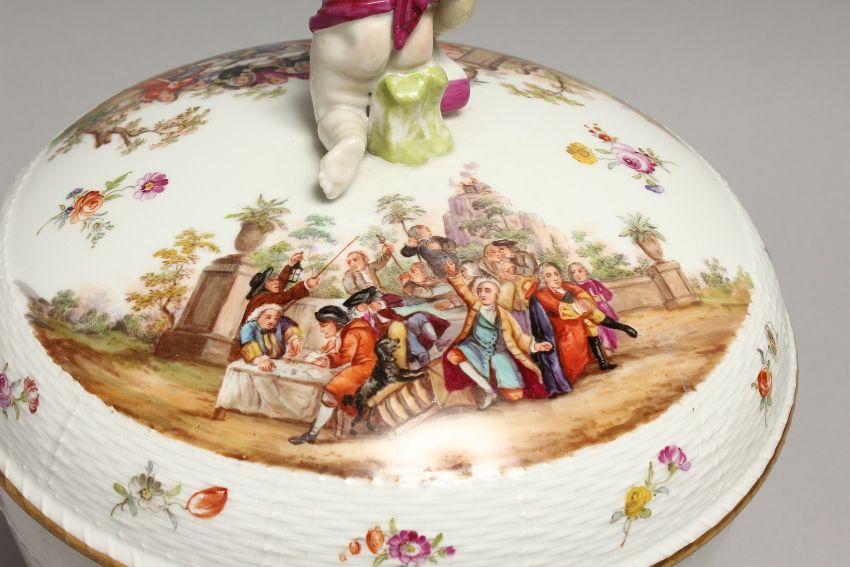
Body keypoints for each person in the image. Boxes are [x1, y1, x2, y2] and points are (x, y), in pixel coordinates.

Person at [308, 0, 476, 198]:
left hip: (359, 29)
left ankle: (348, 137)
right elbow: (449, 20)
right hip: (419, 30)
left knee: (339, 105)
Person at [441, 261, 552, 410]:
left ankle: (503, 386)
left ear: (496, 295)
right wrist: (454, 275)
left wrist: (536, 346)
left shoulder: (505, 315)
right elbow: (462, 290)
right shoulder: (475, 305)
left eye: (487, 291)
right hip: (476, 347)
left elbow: (519, 337)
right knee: (455, 355)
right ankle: (488, 390)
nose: (482, 294)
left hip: (498, 352)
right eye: (479, 291)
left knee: (513, 394)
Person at [526, 263, 638, 383]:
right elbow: (560, 309)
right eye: (549, 275)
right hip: (563, 323)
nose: (555, 278)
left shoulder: (566, 285)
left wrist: (584, 302)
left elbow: (582, 293)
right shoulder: (542, 294)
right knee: (590, 319)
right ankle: (620, 332)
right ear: (543, 279)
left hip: (579, 315)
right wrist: (579, 307)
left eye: (556, 274)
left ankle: (604, 360)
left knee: (591, 320)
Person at [288, 305, 377, 445]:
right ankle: (312, 434)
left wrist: (327, 360)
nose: (321, 329)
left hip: (365, 368)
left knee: (330, 394)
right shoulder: (356, 327)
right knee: (331, 393)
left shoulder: (352, 332)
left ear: (336, 322)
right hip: (368, 366)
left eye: (324, 325)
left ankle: (312, 434)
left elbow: (346, 355)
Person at [346, 287, 450, 369]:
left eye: (367, 302)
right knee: (403, 329)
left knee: (419, 317)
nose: (366, 306)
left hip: (404, 326)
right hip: (392, 340)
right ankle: (422, 355)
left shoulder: (382, 306)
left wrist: (382, 305)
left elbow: (400, 302)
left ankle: (437, 341)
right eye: (361, 306)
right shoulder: (363, 320)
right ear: (356, 310)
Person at [241, 252, 320, 325]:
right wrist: (306, 285)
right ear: (262, 286)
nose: (276, 282)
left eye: (274, 279)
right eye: (271, 280)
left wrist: (290, 265)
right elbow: (287, 296)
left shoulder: (264, 294)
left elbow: (280, 282)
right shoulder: (264, 298)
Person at [568, 262, 620, 353]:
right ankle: (602, 348)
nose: (577, 274)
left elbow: (608, 294)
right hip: (588, 312)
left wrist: (600, 297)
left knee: (607, 328)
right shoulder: (573, 287)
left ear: (586, 271)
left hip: (601, 309)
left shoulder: (594, 282)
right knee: (596, 331)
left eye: (580, 271)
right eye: (573, 272)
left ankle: (610, 346)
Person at [238, 304, 303, 372]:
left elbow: (288, 325)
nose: (272, 321)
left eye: (276, 319)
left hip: (277, 362)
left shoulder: (278, 324)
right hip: (256, 363)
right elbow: (248, 346)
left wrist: (294, 338)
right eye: (268, 317)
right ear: (258, 316)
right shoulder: (249, 327)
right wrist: (261, 360)